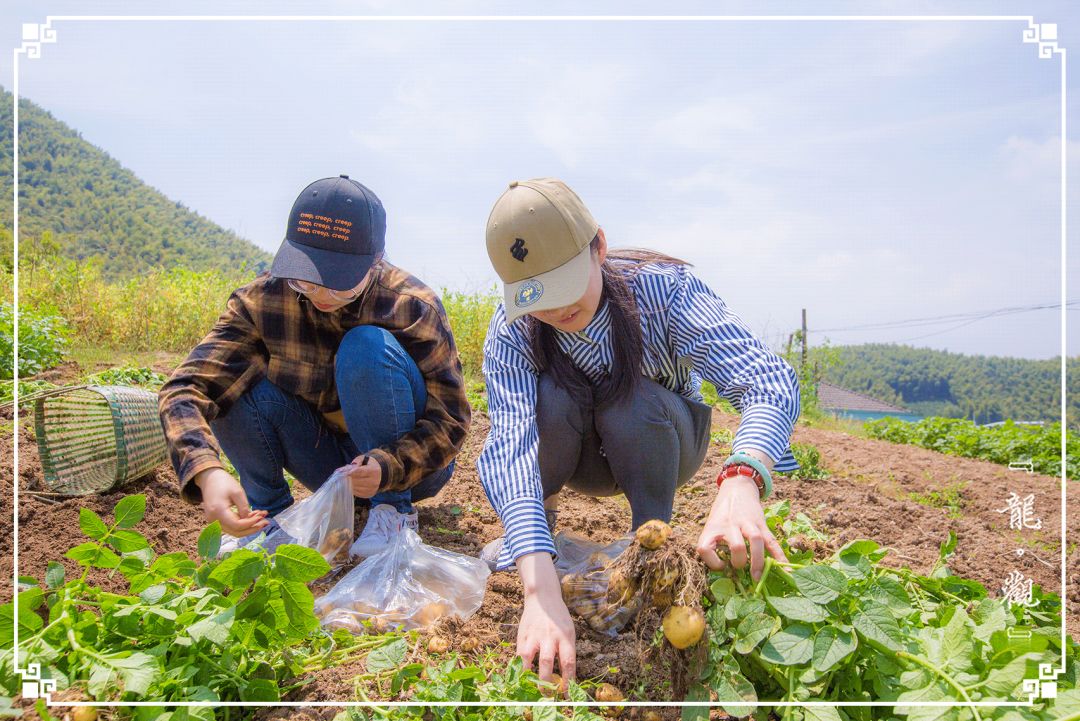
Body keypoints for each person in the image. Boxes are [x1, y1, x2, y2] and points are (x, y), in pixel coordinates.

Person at [476, 178, 800, 683]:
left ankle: (650, 551)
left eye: (565, 286)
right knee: (550, 398)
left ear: (598, 246)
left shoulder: (663, 293)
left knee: (632, 401)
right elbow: (511, 446)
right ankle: (540, 525)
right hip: (575, 450)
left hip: (660, 437)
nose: (557, 311)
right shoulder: (513, 328)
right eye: (537, 298)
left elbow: (766, 379)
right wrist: (540, 592)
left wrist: (742, 478)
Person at [159, 175, 471, 555]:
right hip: (324, 461)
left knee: (365, 346)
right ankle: (266, 519)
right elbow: (186, 388)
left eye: (339, 283)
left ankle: (392, 513)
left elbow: (451, 420)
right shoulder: (262, 301)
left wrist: (389, 466)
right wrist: (206, 470)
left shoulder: (410, 305)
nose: (321, 293)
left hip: (409, 468)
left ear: (375, 263)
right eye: (306, 279)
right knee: (231, 379)